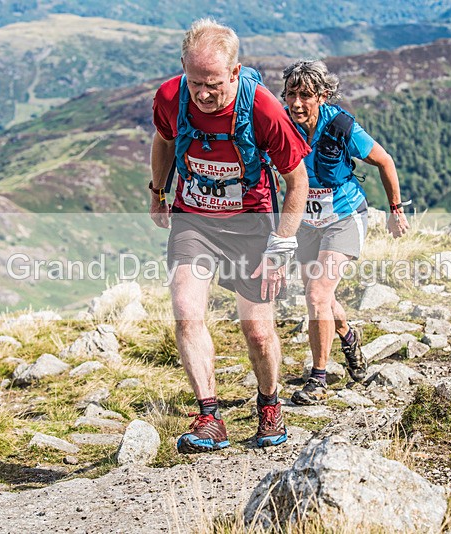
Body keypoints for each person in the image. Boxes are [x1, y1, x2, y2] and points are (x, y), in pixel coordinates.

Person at [148, 19, 310, 452]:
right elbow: (164, 140)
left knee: (256, 329)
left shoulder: (262, 108)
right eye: (195, 81)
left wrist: (281, 247)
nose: (202, 93)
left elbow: (297, 181)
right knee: (186, 309)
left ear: (235, 73)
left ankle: (269, 405)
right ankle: (209, 417)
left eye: (214, 84)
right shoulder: (170, 96)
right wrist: (159, 190)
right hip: (193, 219)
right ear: (184, 66)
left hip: (251, 222)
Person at [281, 60, 410, 405]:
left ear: (323, 95)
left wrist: (395, 210)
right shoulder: (281, 125)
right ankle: (349, 337)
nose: (297, 103)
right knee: (321, 295)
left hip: (344, 216)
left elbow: (385, 161)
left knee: (316, 296)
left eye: (306, 95)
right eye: (292, 94)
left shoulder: (341, 126)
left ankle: (318, 379)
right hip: (305, 222)